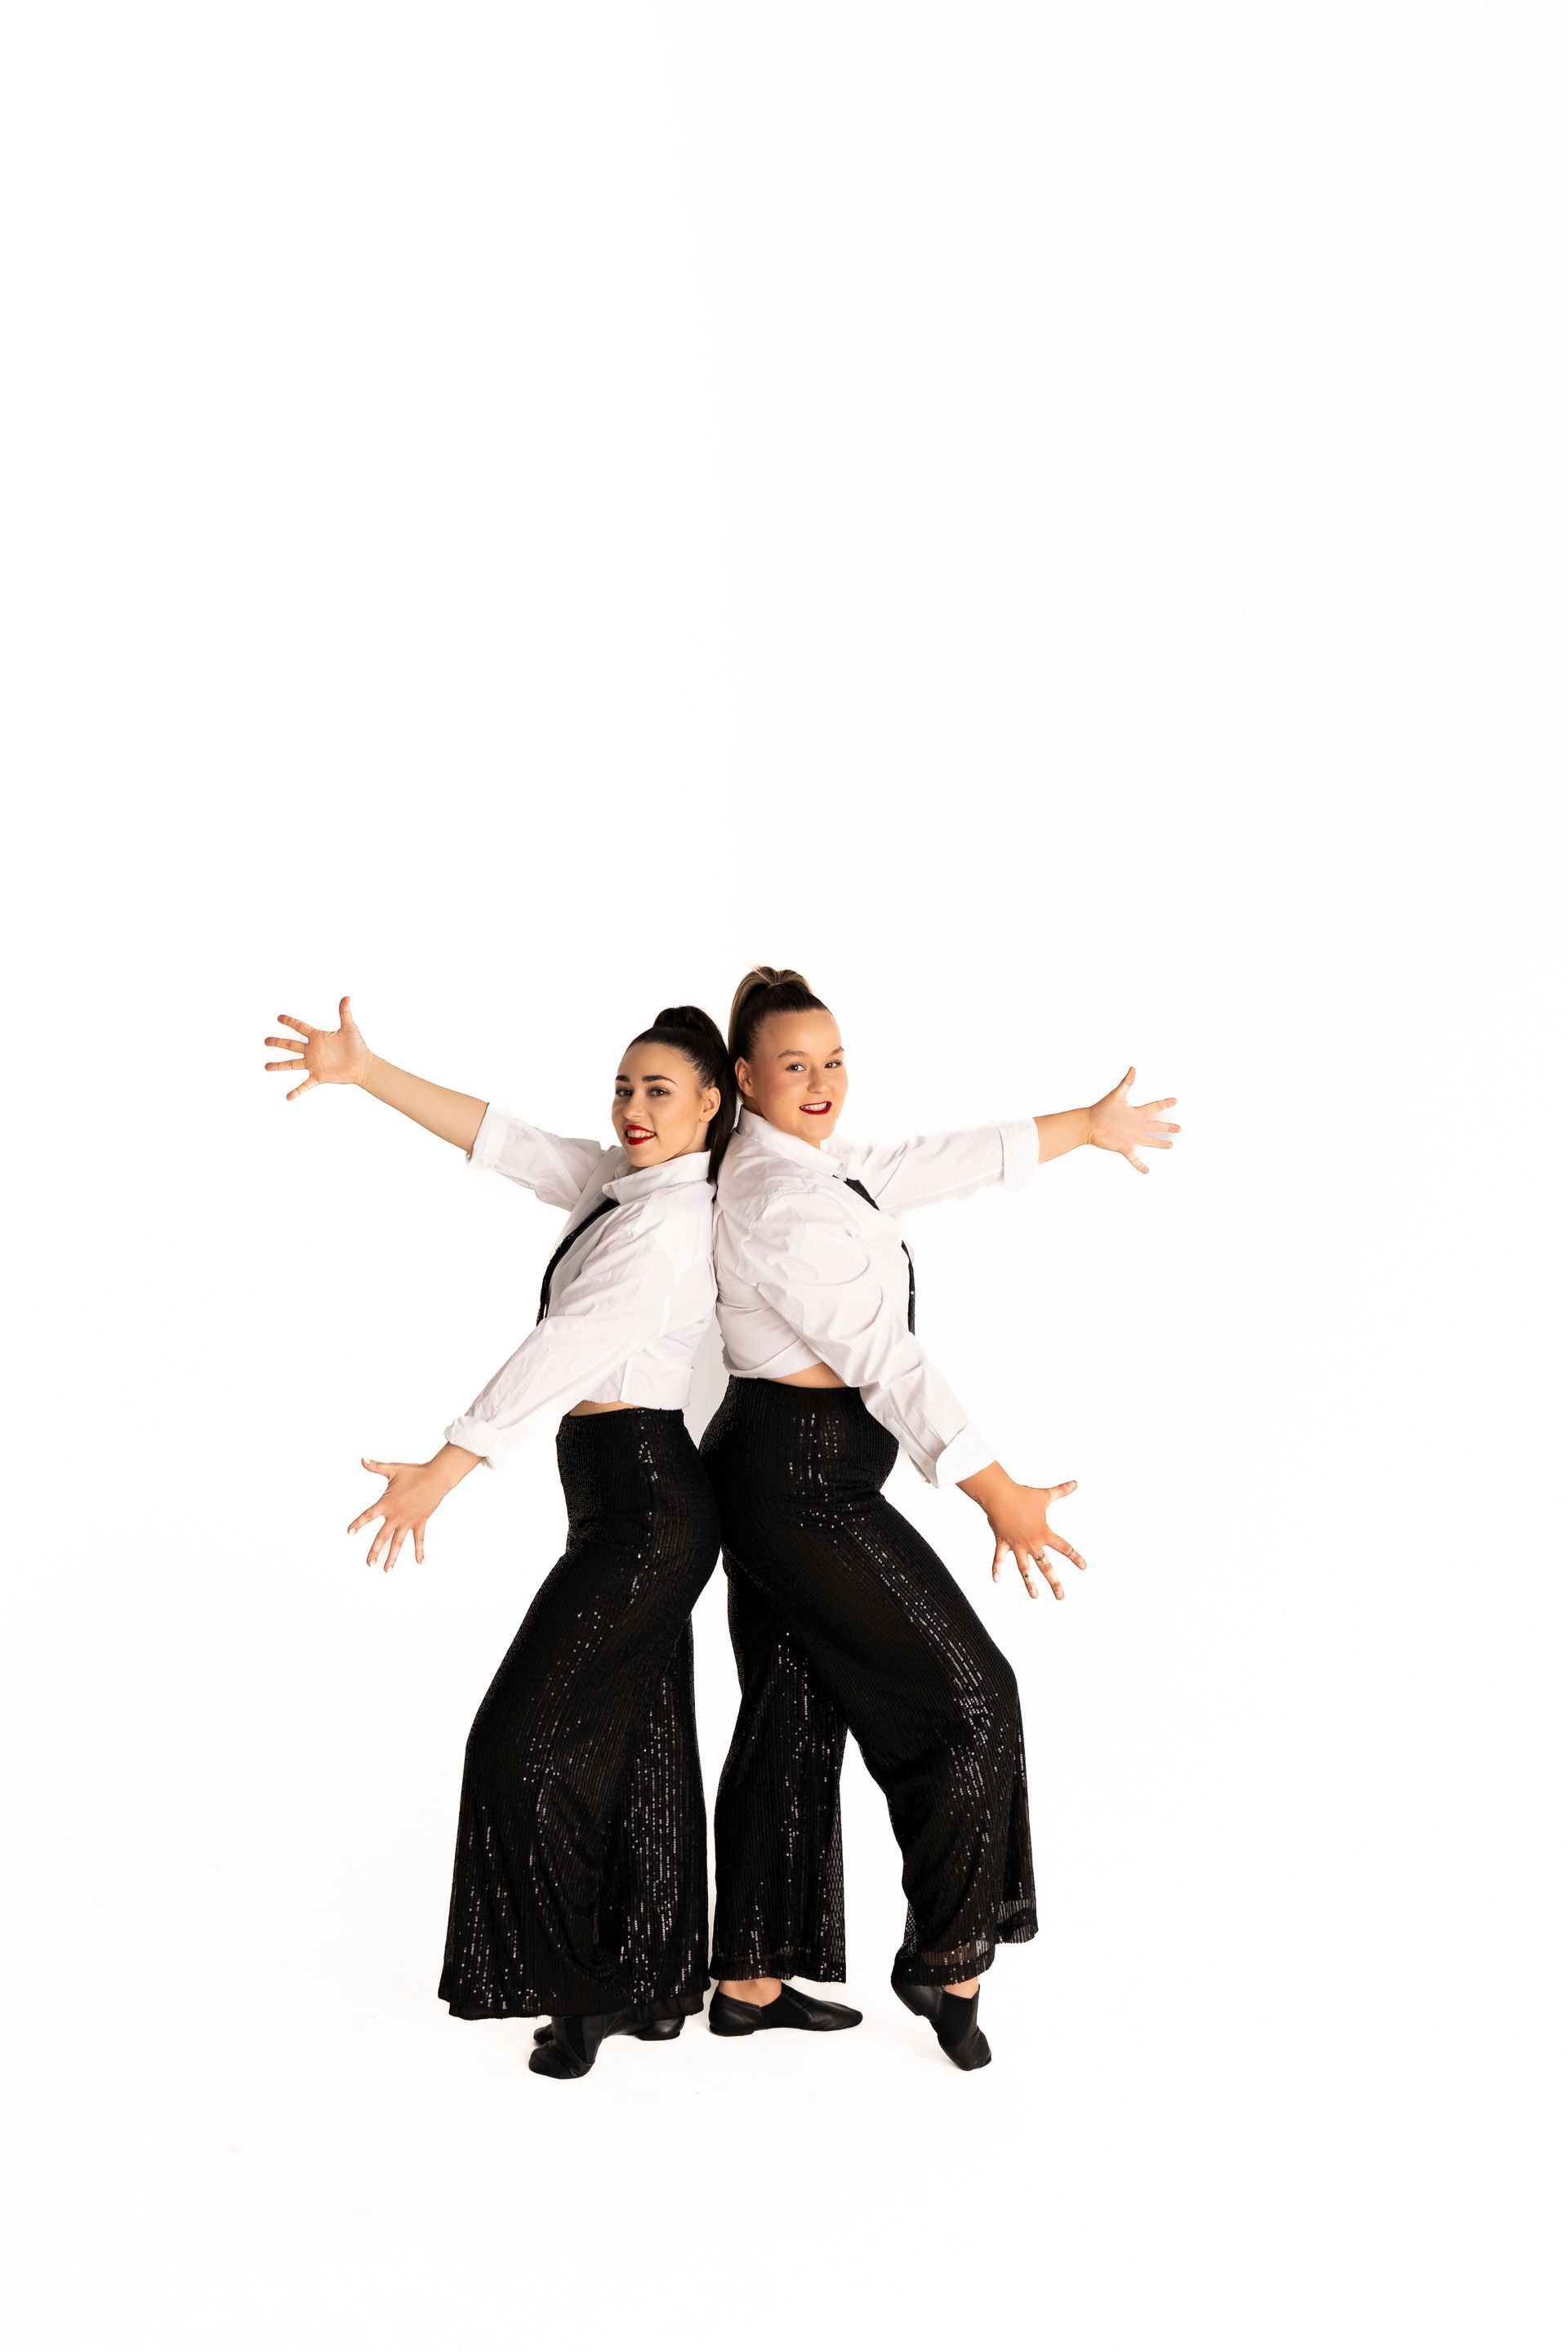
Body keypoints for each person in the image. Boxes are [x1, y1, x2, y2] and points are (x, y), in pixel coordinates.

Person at [701, 966, 1179, 2070]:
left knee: (793, 1715)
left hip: (781, 1478)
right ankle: (947, 1960)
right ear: (745, 1076)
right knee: (971, 1696)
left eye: (833, 1060)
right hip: (802, 1489)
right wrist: (994, 1490)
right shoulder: (777, 1202)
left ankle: (750, 1976)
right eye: (793, 1065)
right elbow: (884, 1359)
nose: (821, 1082)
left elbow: (927, 1164)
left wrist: (1085, 1127)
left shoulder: (803, 1167)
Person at [263, 993, 734, 2079]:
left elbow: (565, 1351)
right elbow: (508, 1141)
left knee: (520, 1745)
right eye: (624, 1087)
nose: (633, 1107)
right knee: (647, 1749)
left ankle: (578, 1992)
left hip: (649, 1508)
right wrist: (367, 1073)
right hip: (629, 1501)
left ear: (712, 1104)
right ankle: (654, 1987)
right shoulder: (632, 1189)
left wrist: (447, 1465)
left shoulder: (668, 1226)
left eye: (659, 1090)